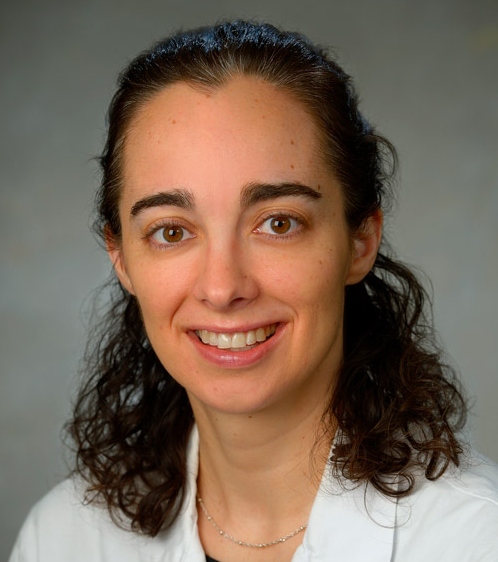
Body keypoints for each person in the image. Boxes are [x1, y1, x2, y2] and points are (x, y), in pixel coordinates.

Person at [9, 20, 498, 562]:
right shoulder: (62, 540)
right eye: (171, 232)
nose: (222, 288)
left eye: (278, 223)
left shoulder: (477, 540)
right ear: (120, 257)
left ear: (360, 240)